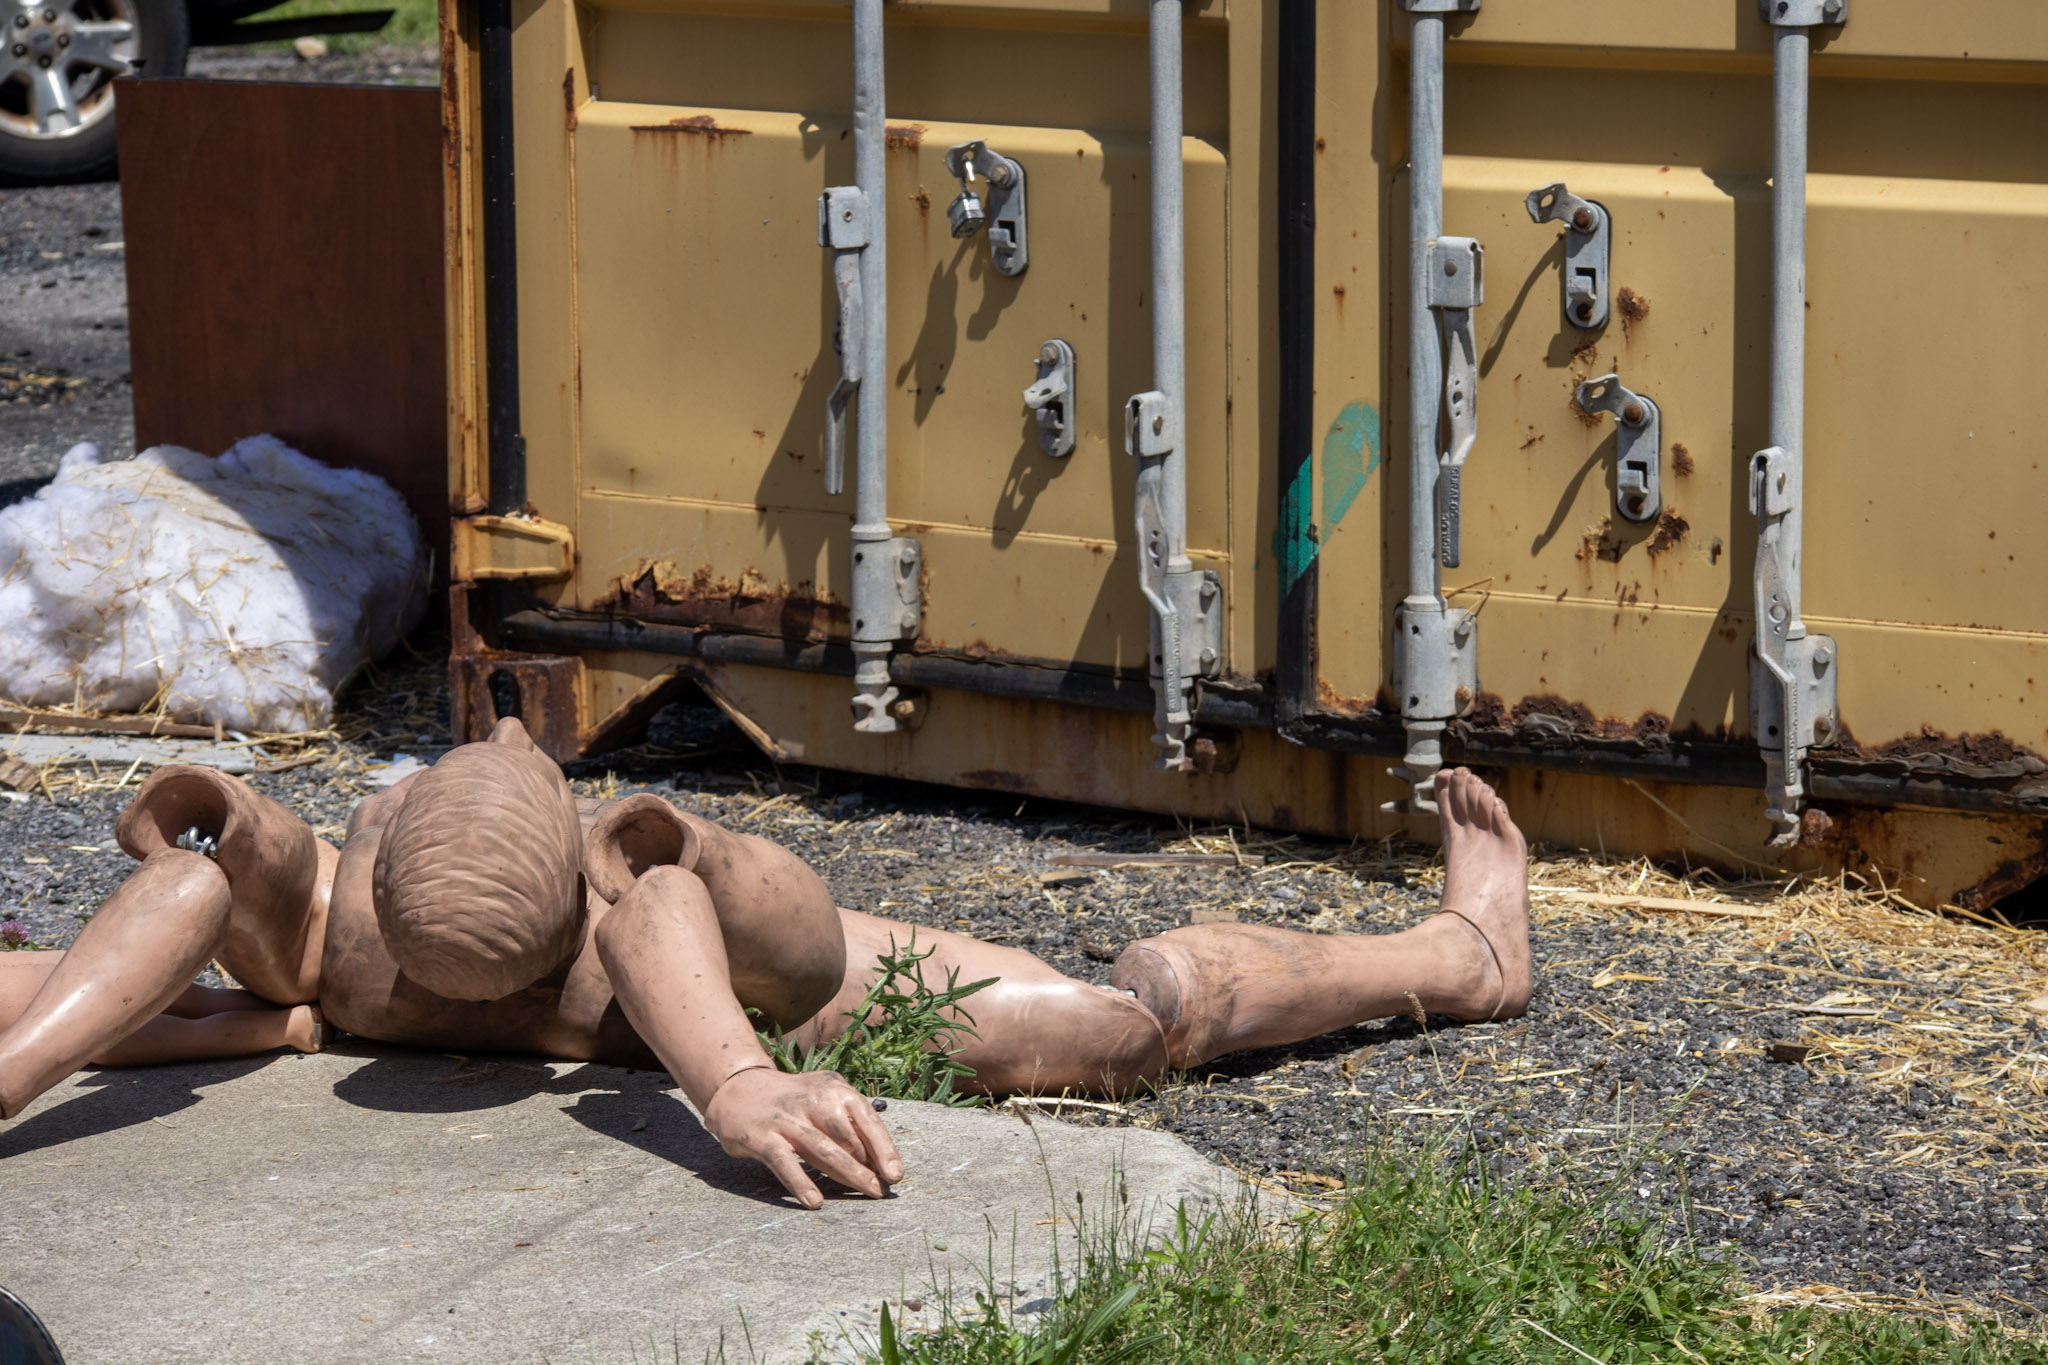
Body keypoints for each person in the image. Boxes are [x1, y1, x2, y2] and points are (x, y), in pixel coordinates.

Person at [0, 719, 1531, 1210]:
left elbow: (659, 904)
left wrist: (736, 1079)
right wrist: (52, 1060)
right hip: (678, 971)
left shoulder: (640, 892)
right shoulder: (330, 901)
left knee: (1131, 1026)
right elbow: (178, 879)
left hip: (791, 983)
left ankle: (1460, 951)